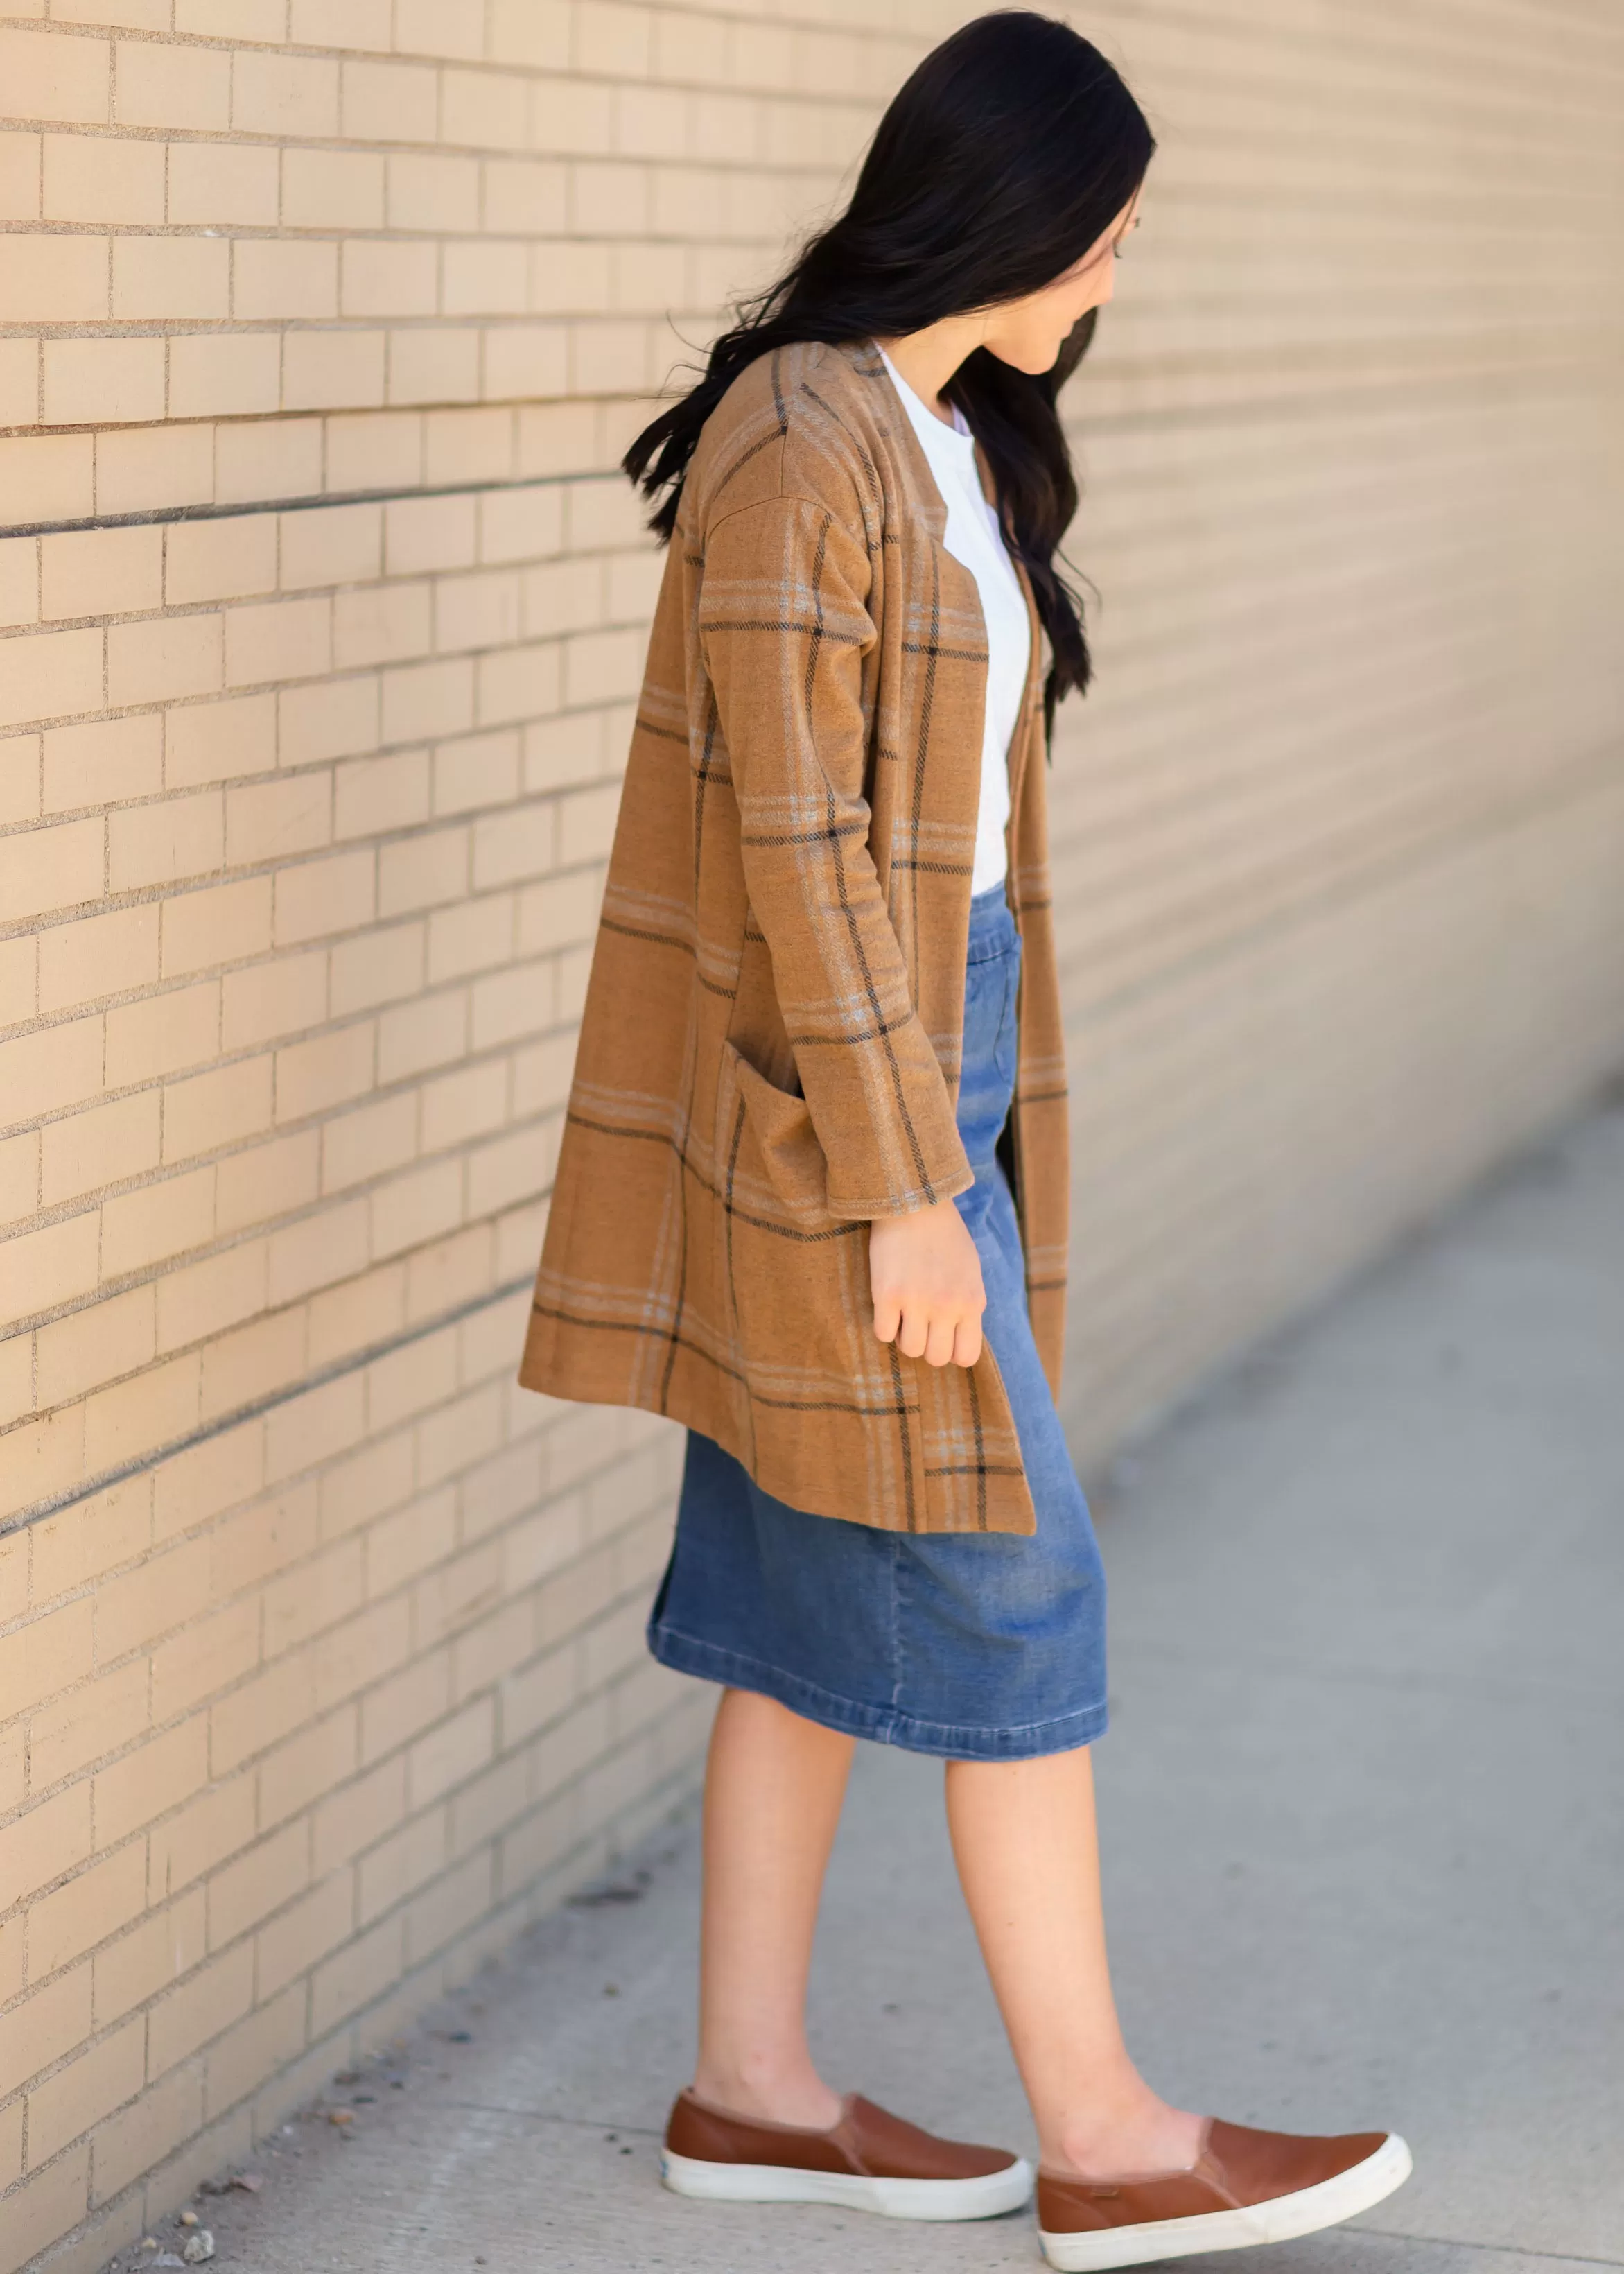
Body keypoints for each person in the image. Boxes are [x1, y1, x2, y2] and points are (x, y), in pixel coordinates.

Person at [518, 12, 1413, 2266]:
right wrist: (907, 1179)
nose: (1114, 272)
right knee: (1019, 1591)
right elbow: (801, 848)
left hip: (946, 1050)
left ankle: (749, 2092)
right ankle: (1107, 2139)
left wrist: (957, 1126)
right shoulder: (794, 439)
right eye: (1103, 229)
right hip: (854, 1103)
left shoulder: (937, 431)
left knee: (793, 1586)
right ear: (1011, 210)